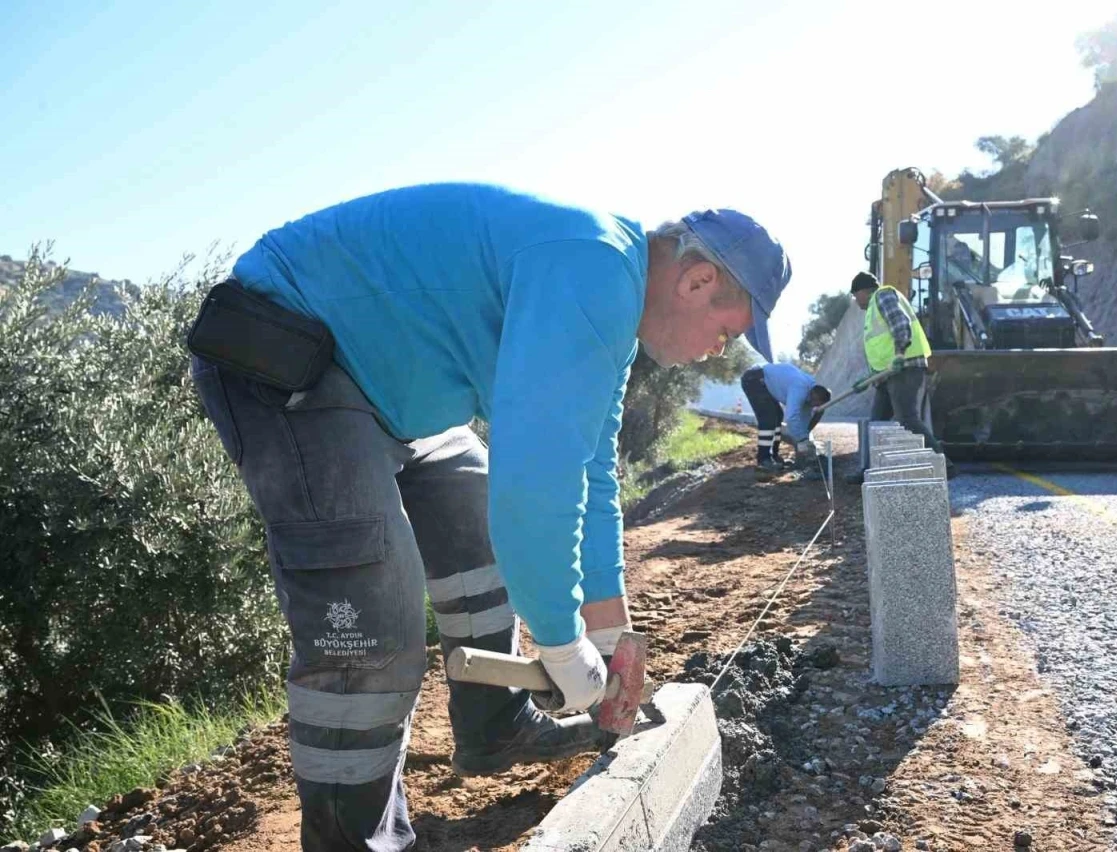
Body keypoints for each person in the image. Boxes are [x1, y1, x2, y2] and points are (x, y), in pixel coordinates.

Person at [186, 183, 791, 852]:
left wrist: (609, 631)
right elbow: (535, 488)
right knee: (372, 617)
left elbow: (587, 470)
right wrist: (561, 644)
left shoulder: (611, 297)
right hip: (291, 347)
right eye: (727, 332)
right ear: (699, 281)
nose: (718, 351)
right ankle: (352, 841)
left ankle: (495, 725)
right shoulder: (592, 268)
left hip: (384, 381)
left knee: (470, 501)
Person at [850, 271, 956, 479]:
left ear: (863, 290)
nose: (856, 301)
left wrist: (899, 353)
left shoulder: (883, 295)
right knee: (876, 423)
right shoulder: (872, 310)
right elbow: (880, 349)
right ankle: (869, 471)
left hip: (905, 367)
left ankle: (945, 465)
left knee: (907, 418)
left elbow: (900, 324)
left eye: (856, 296)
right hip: (889, 373)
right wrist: (871, 378)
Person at [739, 361, 831, 479]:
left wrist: (805, 438)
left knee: (778, 416)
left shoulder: (811, 392)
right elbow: (792, 418)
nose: (813, 407)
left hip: (764, 381)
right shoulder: (800, 388)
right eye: (815, 404)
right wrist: (802, 440)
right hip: (754, 379)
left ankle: (774, 457)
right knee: (768, 418)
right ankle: (763, 460)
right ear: (813, 397)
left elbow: (804, 422)